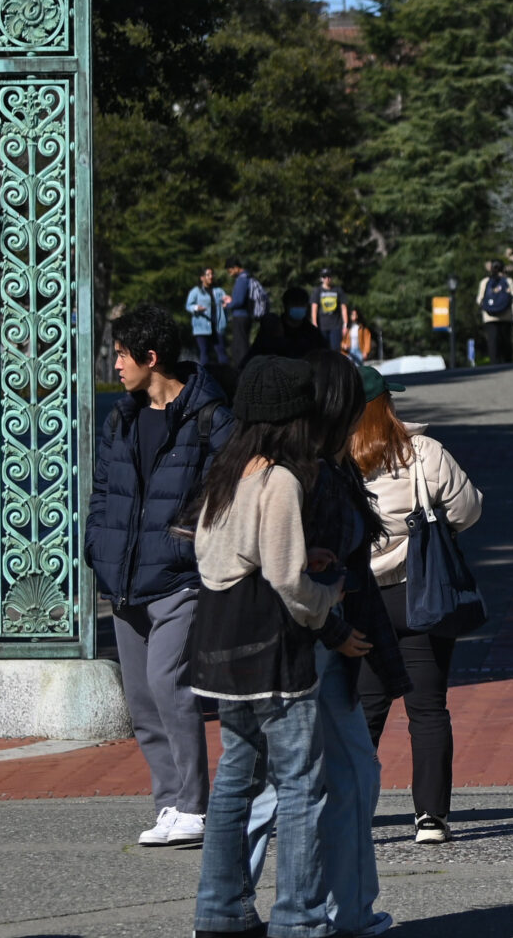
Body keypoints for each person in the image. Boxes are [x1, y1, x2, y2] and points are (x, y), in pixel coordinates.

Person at [188, 354, 345, 938]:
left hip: (220, 643)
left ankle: (220, 908)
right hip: (271, 649)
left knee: (236, 773)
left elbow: (214, 556)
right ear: (292, 420)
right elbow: (286, 580)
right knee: (302, 783)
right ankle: (299, 917)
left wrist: (300, 560)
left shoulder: (228, 471)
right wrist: (325, 598)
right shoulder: (279, 479)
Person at [86, 304, 236, 849]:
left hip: (178, 579)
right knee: (142, 698)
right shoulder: (120, 417)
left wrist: (185, 542)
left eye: (122, 354)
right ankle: (169, 803)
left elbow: (227, 491)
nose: (116, 363)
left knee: (169, 683)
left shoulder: (210, 416)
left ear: (151, 358)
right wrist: (95, 546)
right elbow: (103, 491)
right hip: (124, 579)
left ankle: (195, 806)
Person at [302, 350, 411, 937]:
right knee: (325, 784)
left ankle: (341, 908)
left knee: (340, 780)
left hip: (335, 639)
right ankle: (323, 912)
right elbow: (282, 570)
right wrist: (337, 626)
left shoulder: (323, 464)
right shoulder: (310, 470)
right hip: (321, 646)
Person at [350, 377, 485, 845]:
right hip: (421, 590)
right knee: (427, 709)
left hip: (365, 598)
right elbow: (468, 509)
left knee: (366, 707)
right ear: (385, 405)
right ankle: (430, 816)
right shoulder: (422, 452)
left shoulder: (336, 459)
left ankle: (352, 808)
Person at [254, 284, 326, 359]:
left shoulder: (313, 333)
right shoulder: (273, 329)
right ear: (286, 306)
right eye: (295, 303)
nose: (298, 306)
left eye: (301, 304)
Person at [476, 262, 513, 367]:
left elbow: (479, 300)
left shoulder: (485, 282)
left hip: (490, 317)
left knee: (492, 341)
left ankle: (494, 364)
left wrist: (487, 307)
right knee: (506, 340)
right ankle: (508, 363)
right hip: (506, 316)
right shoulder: (508, 281)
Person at [224, 259, 256, 389]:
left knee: (241, 345)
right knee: (240, 343)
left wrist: (229, 304)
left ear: (236, 267)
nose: (230, 273)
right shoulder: (246, 278)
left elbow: (239, 301)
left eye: (230, 270)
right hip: (244, 316)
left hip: (241, 317)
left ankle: (242, 371)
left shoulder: (242, 280)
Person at [188, 268, 224, 374]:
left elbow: (225, 302)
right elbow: (188, 305)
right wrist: (196, 308)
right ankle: (205, 375)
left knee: (221, 351)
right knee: (204, 352)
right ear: (202, 278)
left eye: (212, 274)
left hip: (216, 325)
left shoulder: (218, 291)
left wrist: (228, 301)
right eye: (208, 275)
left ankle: (226, 374)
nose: (211, 276)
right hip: (201, 326)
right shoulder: (196, 291)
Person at [313, 273, 355, 363]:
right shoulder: (318, 291)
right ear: (321, 278)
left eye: (329, 276)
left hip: (335, 325)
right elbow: (314, 308)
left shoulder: (338, 290)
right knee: (322, 351)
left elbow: (343, 308)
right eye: (324, 276)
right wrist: (314, 323)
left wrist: (345, 324)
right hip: (322, 326)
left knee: (336, 351)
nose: (327, 278)